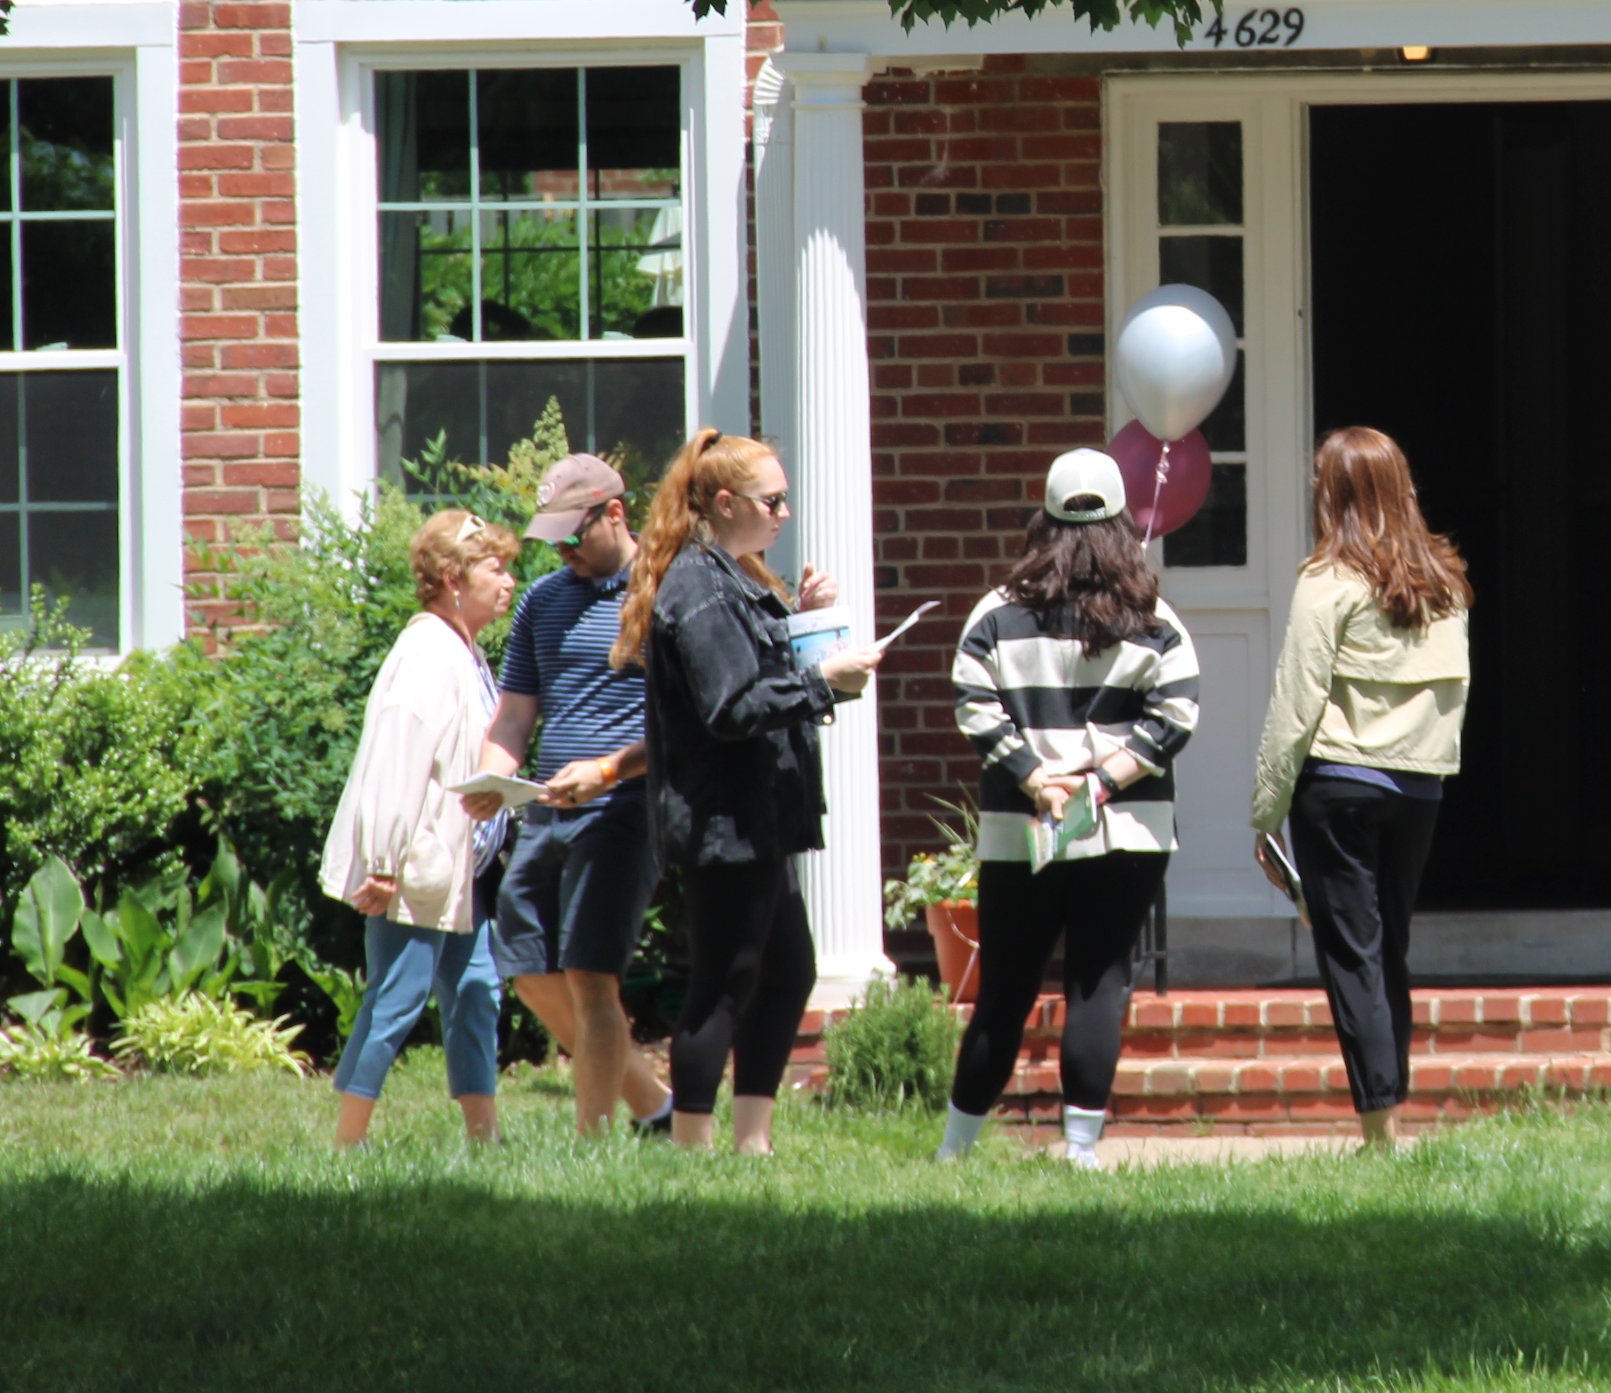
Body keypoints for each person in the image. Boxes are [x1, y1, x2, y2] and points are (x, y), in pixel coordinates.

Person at [938, 450, 1202, 1170]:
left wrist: (1036, 780)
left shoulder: (996, 613)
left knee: (1005, 989)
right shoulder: (1153, 616)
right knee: (1099, 982)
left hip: (1022, 826)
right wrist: (1103, 783)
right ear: (1122, 522)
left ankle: (955, 1150)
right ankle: (1080, 1150)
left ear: (1044, 520)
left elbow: (972, 703)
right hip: (1128, 829)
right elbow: (1178, 713)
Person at [618, 428, 879, 1156]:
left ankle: (751, 1142)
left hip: (758, 815)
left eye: (785, 499)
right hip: (724, 819)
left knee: (788, 972)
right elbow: (731, 706)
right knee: (724, 982)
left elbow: (763, 674)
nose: (784, 514)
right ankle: (692, 1145)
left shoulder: (736, 577)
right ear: (726, 503)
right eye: (772, 501)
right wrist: (824, 680)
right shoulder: (700, 587)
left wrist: (807, 621)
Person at [1250, 427, 1472, 1154]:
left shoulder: (1327, 580)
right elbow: (1454, 693)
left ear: (1334, 494)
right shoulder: (1445, 582)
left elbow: (1296, 701)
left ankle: (1381, 1135)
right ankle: (1389, 1122)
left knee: (1353, 956)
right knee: (1388, 954)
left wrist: (1266, 813)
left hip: (1339, 784)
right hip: (1419, 788)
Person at [480, 452, 675, 1137]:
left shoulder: (665, 591)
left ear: (614, 512)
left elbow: (685, 724)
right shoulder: (544, 599)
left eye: (573, 535)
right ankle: (655, 1108)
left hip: (624, 808)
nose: (562, 550)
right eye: (553, 537)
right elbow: (514, 715)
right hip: (546, 809)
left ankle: (590, 1145)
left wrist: (609, 771)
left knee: (592, 975)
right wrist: (492, 780)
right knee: (527, 967)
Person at [316, 509, 522, 1148]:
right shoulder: (428, 653)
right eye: (496, 569)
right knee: (396, 998)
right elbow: (395, 760)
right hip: (415, 867)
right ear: (454, 578)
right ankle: (348, 1143)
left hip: (461, 872)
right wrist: (383, 864)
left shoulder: (465, 651)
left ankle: (484, 1139)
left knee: (476, 993)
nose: (510, 582)